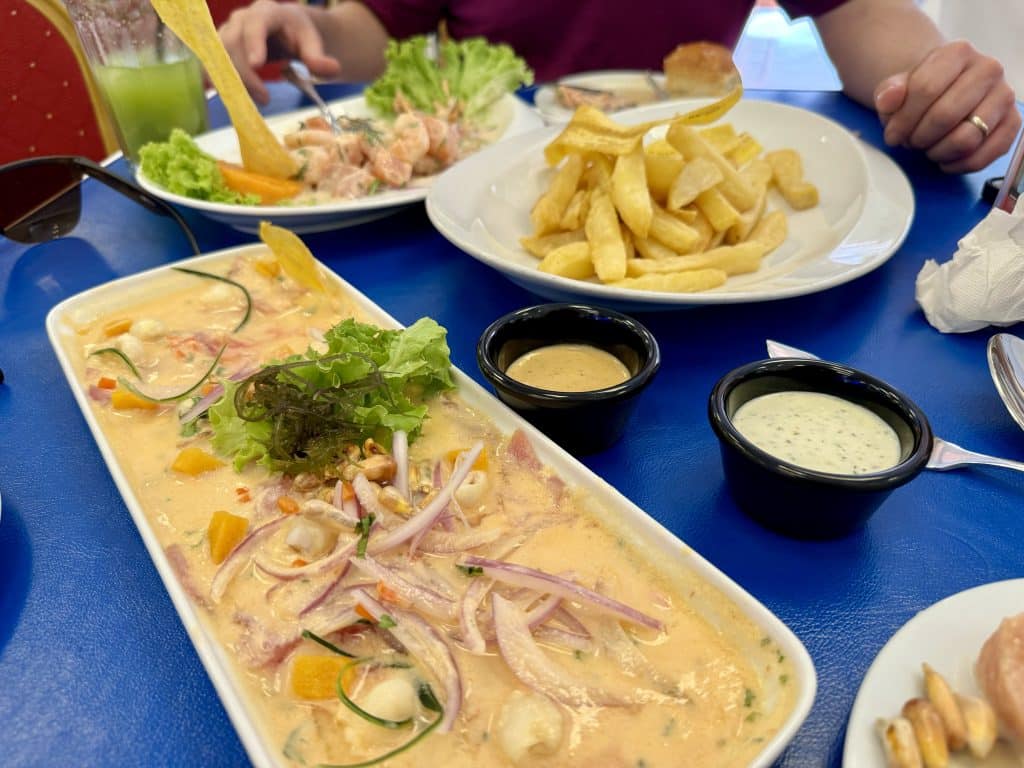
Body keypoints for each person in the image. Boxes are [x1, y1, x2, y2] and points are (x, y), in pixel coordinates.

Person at [218, 0, 1020, 174]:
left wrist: (930, 83)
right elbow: (377, 27)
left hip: (680, 167)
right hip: (485, 191)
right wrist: (309, 27)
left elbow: (864, 20)